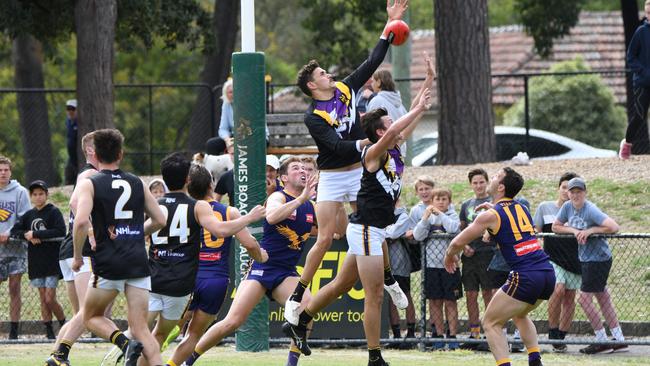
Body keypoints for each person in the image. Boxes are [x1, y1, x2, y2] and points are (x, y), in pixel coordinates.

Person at [284, 83, 432, 366]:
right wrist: (419, 109)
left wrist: (427, 83)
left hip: (372, 231)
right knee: (374, 295)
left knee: (341, 284)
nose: (396, 126)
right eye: (390, 122)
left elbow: (407, 120)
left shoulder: (396, 149)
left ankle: (300, 320)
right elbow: (393, 129)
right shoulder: (374, 154)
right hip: (365, 230)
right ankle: (374, 357)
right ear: (380, 132)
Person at [286, 0, 414, 322]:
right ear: (312, 86)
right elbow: (335, 146)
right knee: (326, 236)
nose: (328, 74)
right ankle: (298, 294)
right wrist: (369, 142)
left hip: (358, 172)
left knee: (372, 226)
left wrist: (390, 24)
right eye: (321, 74)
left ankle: (388, 278)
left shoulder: (345, 89)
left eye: (325, 71)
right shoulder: (313, 116)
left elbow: (372, 62)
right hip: (332, 174)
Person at [180, 157, 315, 366]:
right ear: (285, 178)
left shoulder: (311, 205)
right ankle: (188, 360)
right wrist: (300, 199)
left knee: (308, 307)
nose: (302, 171)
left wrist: (335, 197)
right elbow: (271, 217)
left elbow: (334, 229)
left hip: (286, 272)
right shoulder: (279, 197)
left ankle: (291, 363)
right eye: (295, 168)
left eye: (305, 168)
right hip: (263, 267)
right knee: (233, 321)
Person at [142, 153, 266, 365]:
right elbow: (250, 243)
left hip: (184, 276)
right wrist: (260, 257)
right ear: (211, 184)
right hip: (214, 279)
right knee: (194, 335)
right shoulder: (222, 211)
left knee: (157, 333)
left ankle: (152, 347)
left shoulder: (169, 207)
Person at [71, 128, 167, 366]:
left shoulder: (90, 183)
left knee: (91, 316)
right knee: (141, 328)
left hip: (108, 262)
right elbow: (160, 220)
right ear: (120, 154)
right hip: (137, 261)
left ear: (96, 155)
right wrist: (134, 235)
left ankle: (125, 344)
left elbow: (82, 221)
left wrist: (76, 256)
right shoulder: (136, 182)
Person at [444, 167, 555, 366]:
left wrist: (449, 255)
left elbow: (457, 243)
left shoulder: (491, 214)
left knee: (490, 323)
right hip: (546, 273)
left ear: (501, 187)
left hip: (526, 275)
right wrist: (492, 210)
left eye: (495, 176)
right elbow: (492, 235)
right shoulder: (521, 207)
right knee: (520, 314)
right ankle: (535, 360)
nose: (491, 178)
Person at [552, 177, 626, 354]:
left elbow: (614, 227)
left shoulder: (590, 209)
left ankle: (602, 341)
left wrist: (591, 230)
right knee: (602, 297)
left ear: (585, 193)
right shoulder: (567, 207)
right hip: (586, 259)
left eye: (579, 191)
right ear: (568, 193)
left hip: (598, 259)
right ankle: (619, 338)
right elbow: (556, 226)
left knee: (584, 300)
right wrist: (574, 230)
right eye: (572, 192)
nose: (576, 195)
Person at [46, 132, 99, 365]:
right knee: (87, 313)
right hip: (80, 249)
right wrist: (90, 232)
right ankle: (58, 356)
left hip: (69, 249)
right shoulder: (90, 173)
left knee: (82, 315)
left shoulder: (90, 174)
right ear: (90, 150)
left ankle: (55, 356)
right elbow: (75, 203)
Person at [10, 180, 66, 339]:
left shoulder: (53, 212)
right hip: (36, 262)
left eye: (41, 194)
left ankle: (64, 324)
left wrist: (37, 234)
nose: (38, 197)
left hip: (51, 261)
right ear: (31, 197)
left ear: (47, 195)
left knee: (50, 298)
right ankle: (49, 332)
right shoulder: (29, 215)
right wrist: (27, 235)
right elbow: (15, 231)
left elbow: (60, 230)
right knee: (43, 298)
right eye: (35, 194)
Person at [533, 172, 581, 353]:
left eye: (572, 189)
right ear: (559, 188)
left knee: (569, 297)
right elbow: (536, 230)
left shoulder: (580, 210)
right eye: (564, 187)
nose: (567, 191)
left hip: (574, 260)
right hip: (552, 259)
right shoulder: (545, 208)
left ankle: (561, 335)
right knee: (558, 289)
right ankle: (552, 330)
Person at [413, 187, 461, 350]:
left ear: (449, 201)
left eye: (444, 199)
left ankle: (453, 337)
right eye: (437, 200)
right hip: (431, 266)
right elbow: (418, 236)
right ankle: (439, 336)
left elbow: (453, 229)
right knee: (435, 302)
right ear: (431, 202)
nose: (440, 202)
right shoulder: (428, 218)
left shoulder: (452, 216)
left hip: (450, 267)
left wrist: (440, 214)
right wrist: (425, 218)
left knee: (450, 302)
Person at [457, 168, 498, 347]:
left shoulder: (493, 203)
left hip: (488, 254)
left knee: (488, 293)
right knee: (471, 294)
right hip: (470, 257)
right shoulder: (467, 204)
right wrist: (463, 246)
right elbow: (462, 229)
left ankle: (491, 333)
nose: (479, 185)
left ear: (487, 183)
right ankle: (475, 334)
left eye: (482, 182)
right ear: (470, 185)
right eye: (475, 182)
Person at [0, 155, 31, 340]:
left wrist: (9, 233)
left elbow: (25, 218)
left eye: (5, 170)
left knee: (14, 288)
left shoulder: (19, 191)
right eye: (0, 170)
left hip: (16, 248)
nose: (2, 173)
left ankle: (14, 330)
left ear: (10, 172)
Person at [384, 199, 417, 348]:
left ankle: (411, 333)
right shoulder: (380, 214)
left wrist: (386, 233)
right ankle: (396, 335)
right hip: (384, 262)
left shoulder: (403, 215)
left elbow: (393, 233)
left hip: (400, 262)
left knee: (405, 293)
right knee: (390, 298)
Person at [619, 0, 650, 159]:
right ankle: (627, 144)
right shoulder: (640, 32)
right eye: (648, 13)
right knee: (639, 116)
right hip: (642, 83)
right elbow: (631, 57)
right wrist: (644, 73)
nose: (649, 15)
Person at [64, 99, 79, 185]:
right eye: (68, 109)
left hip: (78, 154)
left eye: (72, 109)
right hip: (71, 155)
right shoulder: (68, 121)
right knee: (69, 173)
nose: (70, 111)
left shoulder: (79, 122)